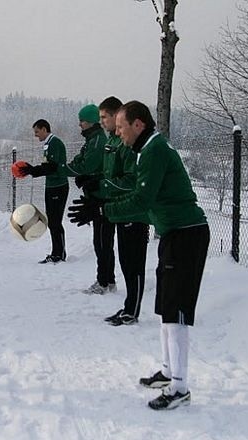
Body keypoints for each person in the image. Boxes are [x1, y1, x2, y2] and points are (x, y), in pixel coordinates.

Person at [68, 101, 210, 410]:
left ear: (138, 125)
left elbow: (141, 199)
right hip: (174, 233)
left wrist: (102, 209)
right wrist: (101, 204)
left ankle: (180, 388)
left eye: (120, 126)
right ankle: (168, 371)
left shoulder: (155, 151)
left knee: (176, 314)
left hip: (187, 235)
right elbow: (141, 200)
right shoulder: (145, 151)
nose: (117, 132)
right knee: (165, 308)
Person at [95, 96, 150, 325]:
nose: (104, 123)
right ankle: (129, 306)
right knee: (126, 261)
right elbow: (110, 173)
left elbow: (130, 180)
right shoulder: (115, 141)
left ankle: (132, 310)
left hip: (133, 212)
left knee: (133, 263)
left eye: (104, 117)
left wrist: (103, 187)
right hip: (121, 208)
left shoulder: (130, 146)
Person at [54, 104, 110, 291]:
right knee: (101, 240)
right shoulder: (91, 140)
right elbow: (79, 161)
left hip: (101, 198)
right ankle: (106, 279)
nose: (80, 125)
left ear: (92, 122)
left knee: (102, 241)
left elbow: (86, 166)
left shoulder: (97, 142)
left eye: (82, 121)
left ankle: (105, 281)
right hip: (95, 196)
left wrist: (60, 170)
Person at [16, 119, 69, 263]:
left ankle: (60, 254)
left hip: (58, 186)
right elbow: (47, 166)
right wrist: (32, 170)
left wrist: (32, 170)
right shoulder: (47, 144)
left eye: (37, 132)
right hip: (51, 186)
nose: (36, 135)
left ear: (44, 129)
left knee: (55, 221)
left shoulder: (54, 143)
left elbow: (51, 167)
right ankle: (56, 252)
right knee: (52, 221)